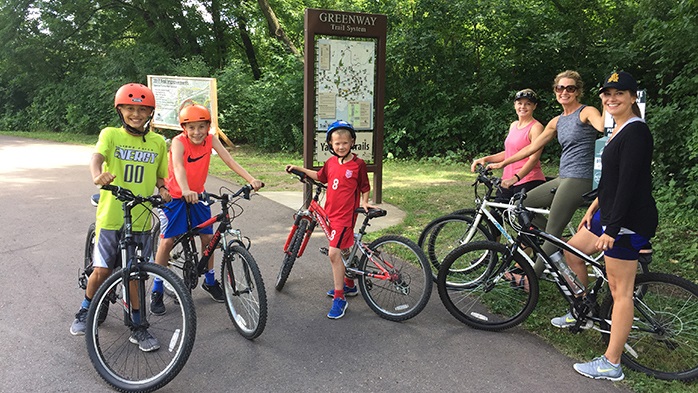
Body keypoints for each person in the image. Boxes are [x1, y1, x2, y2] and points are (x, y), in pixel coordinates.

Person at [554, 71, 657, 381]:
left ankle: (611, 363)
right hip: (608, 213)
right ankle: (582, 312)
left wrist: (611, 229)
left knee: (620, 291)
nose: (612, 98)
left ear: (632, 97)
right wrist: (595, 207)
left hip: (626, 222)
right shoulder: (619, 128)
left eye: (620, 93)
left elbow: (628, 184)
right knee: (573, 251)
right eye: (607, 93)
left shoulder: (636, 132)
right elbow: (611, 179)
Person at [70, 83, 171, 353]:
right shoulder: (111, 134)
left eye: (142, 109)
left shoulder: (158, 142)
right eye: (130, 108)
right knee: (102, 270)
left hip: (141, 217)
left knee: (136, 276)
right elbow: (97, 157)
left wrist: (163, 188)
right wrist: (97, 174)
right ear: (120, 110)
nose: (136, 114)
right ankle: (86, 307)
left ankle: (138, 327)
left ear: (150, 113)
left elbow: (162, 175)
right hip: (112, 216)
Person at [489, 71, 604, 277]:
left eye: (570, 88)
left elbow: (603, 125)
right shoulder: (556, 121)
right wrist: (503, 162)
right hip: (563, 177)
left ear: (578, 91)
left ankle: (531, 278)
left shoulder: (587, 112)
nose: (565, 92)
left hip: (581, 179)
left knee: (552, 231)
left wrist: (609, 104)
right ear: (555, 91)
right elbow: (530, 148)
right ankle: (559, 242)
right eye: (560, 88)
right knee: (519, 207)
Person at [151, 104, 263, 314]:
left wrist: (251, 179)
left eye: (201, 127)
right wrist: (184, 189)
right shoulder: (178, 141)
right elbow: (178, 167)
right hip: (176, 196)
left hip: (198, 195)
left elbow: (228, 159)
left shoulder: (211, 140)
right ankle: (157, 288)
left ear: (208, 126)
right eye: (191, 127)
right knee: (167, 241)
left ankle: (209, 281)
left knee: (208, 239)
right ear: (184, 128)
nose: (197, 132)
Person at [285, 120, 375, 319]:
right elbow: (319, 176)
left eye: (345, 142)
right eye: (337, 143)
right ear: (331, 145)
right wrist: (299, 168)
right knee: (343, 249)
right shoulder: (331, 163)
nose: (341, 146)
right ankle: (350, 284)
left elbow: (365, 187)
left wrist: (365, 202)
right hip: (331, 213)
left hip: (345, 216)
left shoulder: (358, 164)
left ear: (352, 142)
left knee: (333, 253)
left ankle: (340, 298)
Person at [471, 88, 547, 219]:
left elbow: (534, 158)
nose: (523, 107)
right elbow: (511, 152)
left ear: (534, 106)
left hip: (528, 179)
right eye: (520, 103)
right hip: (508, 180)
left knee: (525, 224)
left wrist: (516, 178)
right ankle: (491, 241)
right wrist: (486, 159)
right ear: (514, 105)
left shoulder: (536, 127)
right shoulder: (514, 125)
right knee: (495, 218)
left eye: (528, 104)